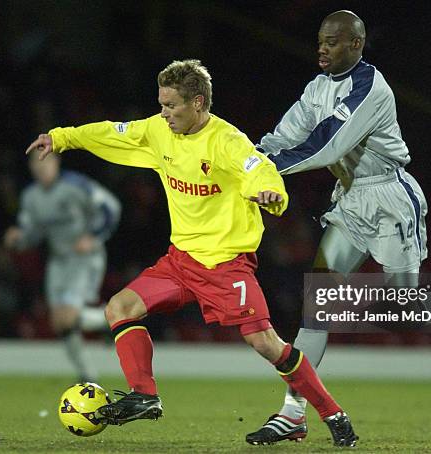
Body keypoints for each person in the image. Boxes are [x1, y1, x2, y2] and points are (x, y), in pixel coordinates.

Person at [25, 59, 359, 447]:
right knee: (120, 307)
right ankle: (145, 397)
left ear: (198, 103)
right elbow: (111, 133)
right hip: (180, 261)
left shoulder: (227, 141)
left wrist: (273, 195)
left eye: (171, 106)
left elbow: (261, 170)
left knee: (265, 343)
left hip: (225, 264)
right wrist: (61, 137)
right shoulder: (158, 131)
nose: (164, 113)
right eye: (162, 104)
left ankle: (333, 414)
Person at [246, 10, 431, 444]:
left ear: (356, 45)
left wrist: (264, 172)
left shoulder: (370, 86)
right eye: (320, 39)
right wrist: (249, 162)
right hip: (351, 199)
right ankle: (292, 413)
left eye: (333, 41)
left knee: (404, 311)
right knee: (316, 305)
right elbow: (284, 136)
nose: (322, 47)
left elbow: (327, 145)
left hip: (390, 198)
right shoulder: (317, 88)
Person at [4, 151, 121, 381]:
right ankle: (88, 375)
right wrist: (18, 238)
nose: (41, 167)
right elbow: (32, 234)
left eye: (45, 161)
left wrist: (94, 236)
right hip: (58, 262)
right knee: (60, 324)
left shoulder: (76, 185)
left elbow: (111, 207)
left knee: (66, 316)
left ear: (56, 162)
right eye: (35, 163)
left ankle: (111, 319)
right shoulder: (31, 197)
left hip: (84, 259)